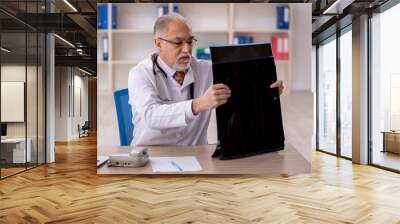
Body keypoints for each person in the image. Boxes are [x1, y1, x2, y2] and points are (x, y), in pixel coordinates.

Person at [128, 13, 284, 146]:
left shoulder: (205, 69)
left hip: (196, 157)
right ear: (158, 43)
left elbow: (240, 92)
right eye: (178, 42)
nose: (187, 49)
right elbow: (151, 115)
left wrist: (266, 90)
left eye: (189, 42)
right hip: (151, 156)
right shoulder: (140, 74)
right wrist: (199, 104)